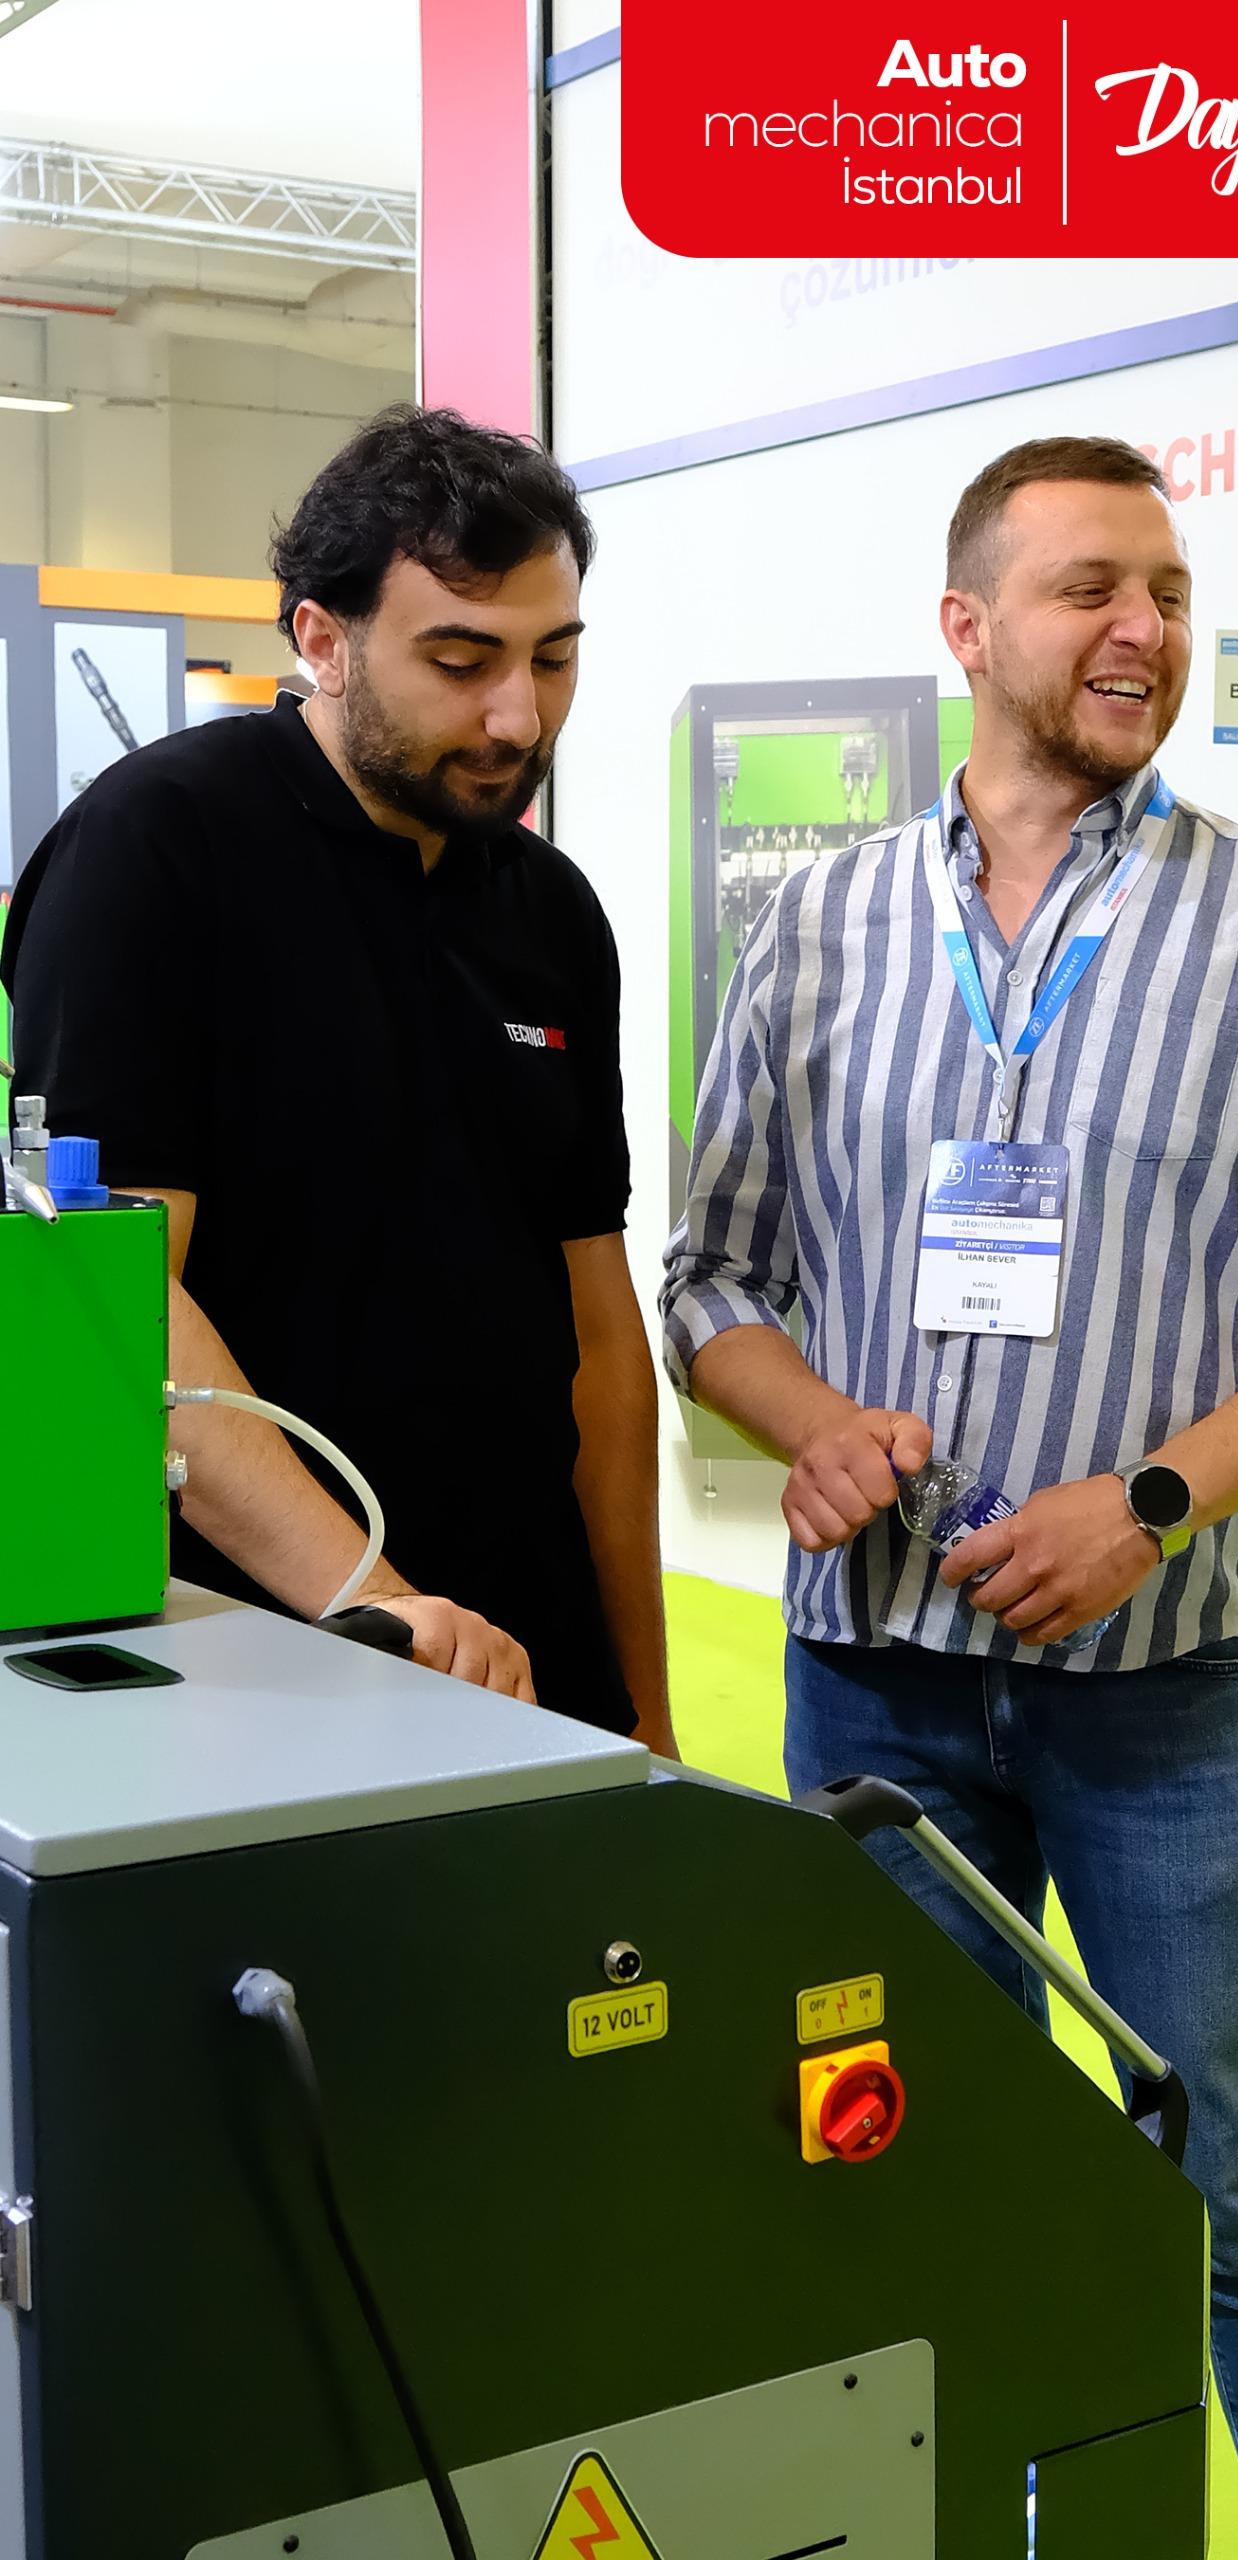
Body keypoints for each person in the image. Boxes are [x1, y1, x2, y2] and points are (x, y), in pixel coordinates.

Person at [662, 434, 1238, 2559]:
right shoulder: (820, 924)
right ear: (967, 626)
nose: (1144, 630)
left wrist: (1154, 1497)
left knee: (1236, 2189)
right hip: (876, 1693)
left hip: (1162, 1703)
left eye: (1167, 593)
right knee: (919, 2175)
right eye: (1092, 586)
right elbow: (710, 1276)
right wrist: (813, 1426)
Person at [2, 405, 673, 1749]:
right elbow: (127, 1306)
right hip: (256, 1650)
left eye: (553, 658)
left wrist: (645, 1716)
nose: (518, 714)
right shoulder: (157, 848)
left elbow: (600, 1347)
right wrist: (377, 1603)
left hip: (525, 1643)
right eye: (460, 661)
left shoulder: (550, 910)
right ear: (320, 638)